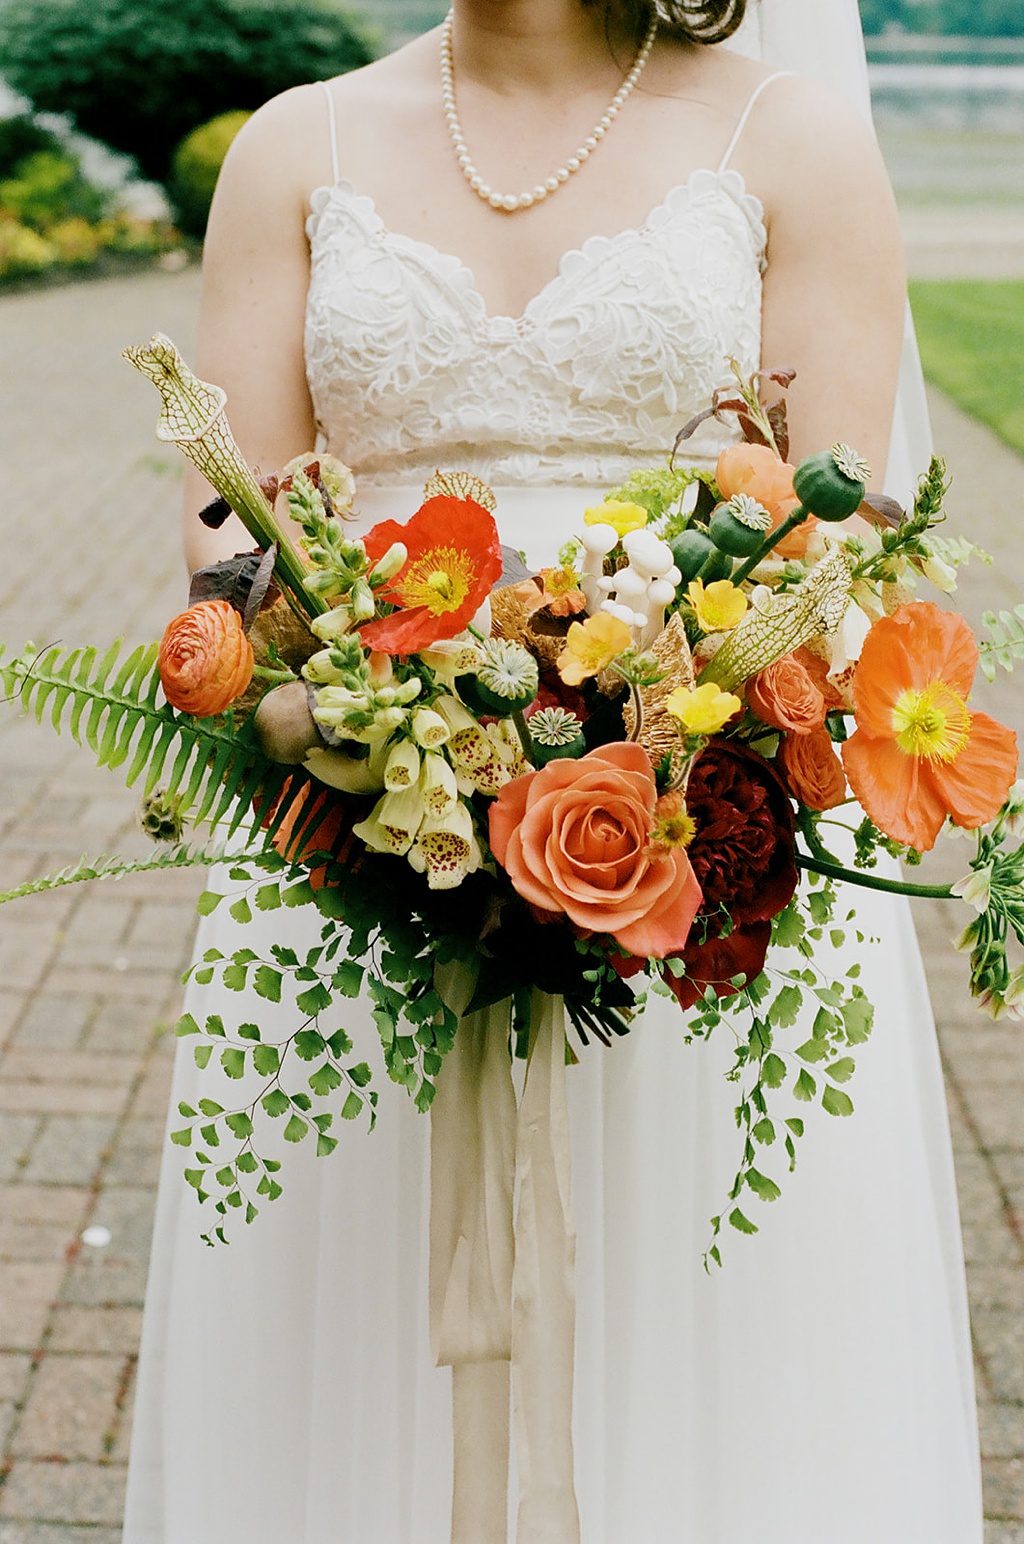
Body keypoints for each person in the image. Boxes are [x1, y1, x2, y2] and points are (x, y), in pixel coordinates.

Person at [123, 1, 985, 1539]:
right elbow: (223, 544)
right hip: (359, 870)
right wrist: (361, 710)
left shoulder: (788, 140)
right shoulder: (292, 148)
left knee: (716, 1380)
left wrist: (646, 738)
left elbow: (836, 561)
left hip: (706, 877)